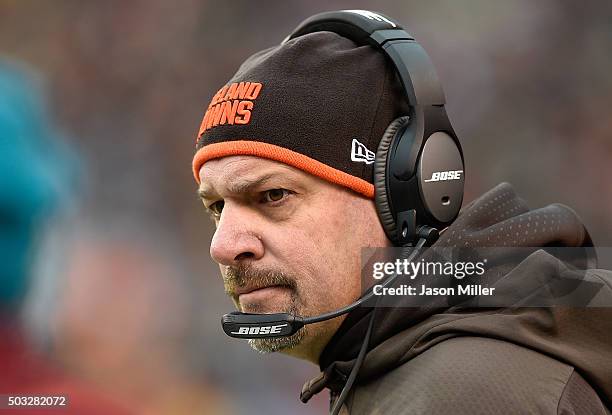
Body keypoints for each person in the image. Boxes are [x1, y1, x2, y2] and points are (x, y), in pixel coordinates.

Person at [191, 10, 612, 414]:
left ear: (404, 195)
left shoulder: (457, 395)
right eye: (216, 206)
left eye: (273, 196)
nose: (223, 245)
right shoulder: (414, 370)